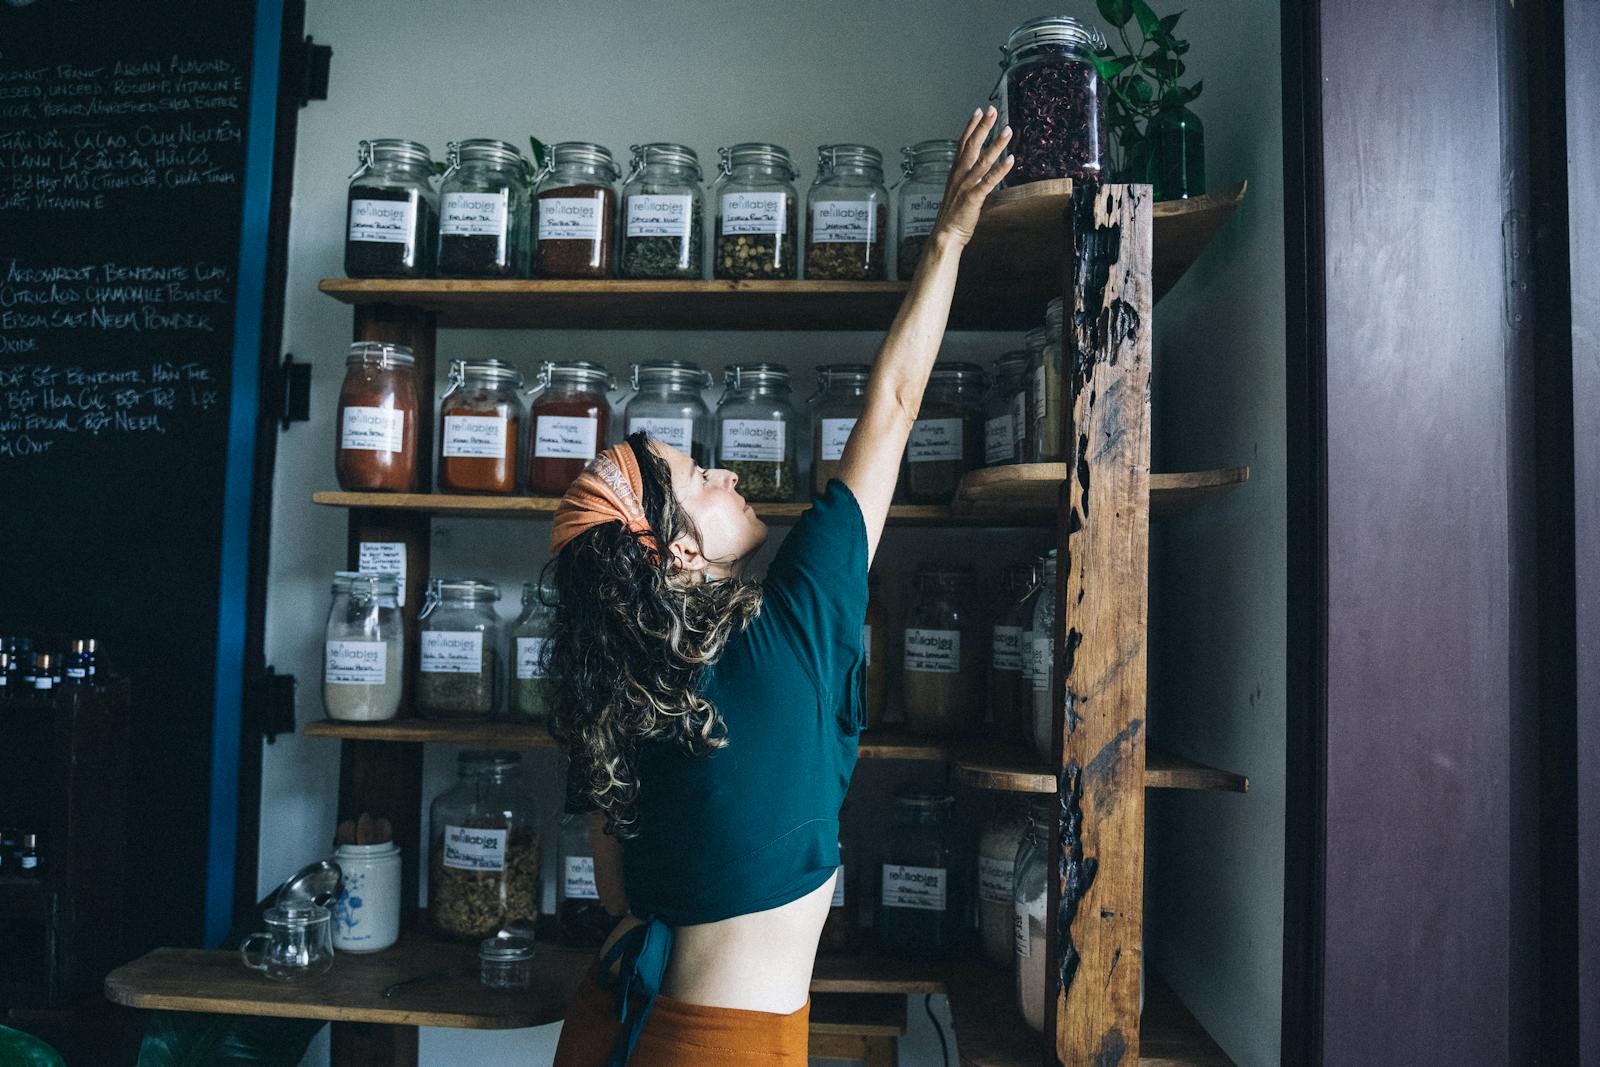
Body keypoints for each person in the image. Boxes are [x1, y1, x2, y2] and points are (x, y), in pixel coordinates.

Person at [545, 107, 1014, 1067]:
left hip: (612, 1022)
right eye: (699, 478)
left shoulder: (618, 697)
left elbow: (621, 895)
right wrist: (952, 233)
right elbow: (891, 405)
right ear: (675, 555)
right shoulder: (790, 631)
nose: (724, 474)